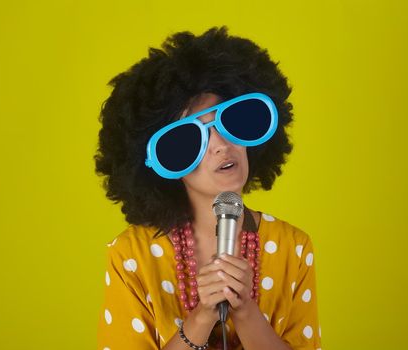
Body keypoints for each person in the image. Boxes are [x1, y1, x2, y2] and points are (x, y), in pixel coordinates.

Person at [94, 26, 322, 350]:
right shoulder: (131, 256)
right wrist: (202, 316)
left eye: (231, 121)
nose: (221, 144)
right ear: (166, 167)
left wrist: (245, 311)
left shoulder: (292, 249)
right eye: (190, 138)